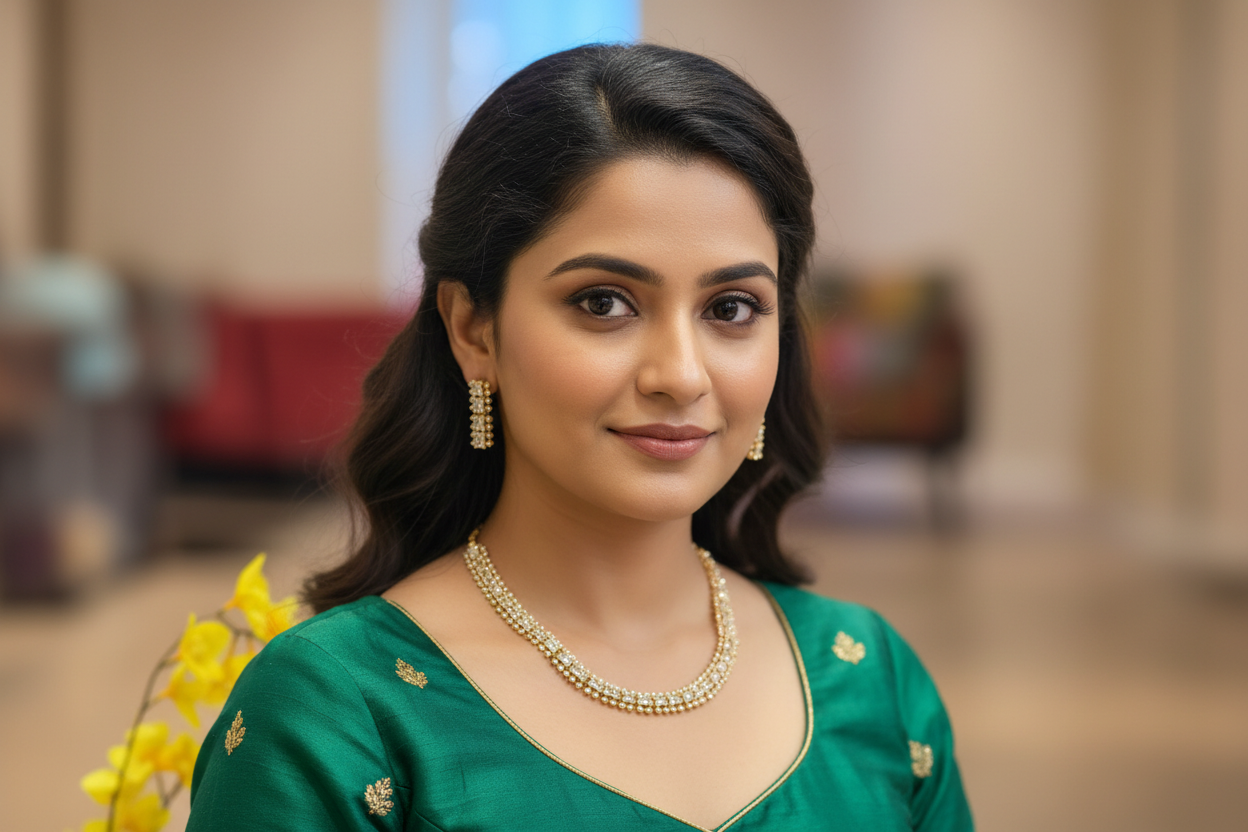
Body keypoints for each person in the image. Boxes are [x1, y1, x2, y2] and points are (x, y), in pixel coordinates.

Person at [187, 43, 972, 831]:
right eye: (604, 303)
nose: (681, 374)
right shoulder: (336, 716)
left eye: (731, 308)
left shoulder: (870, 681)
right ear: (473, 328)